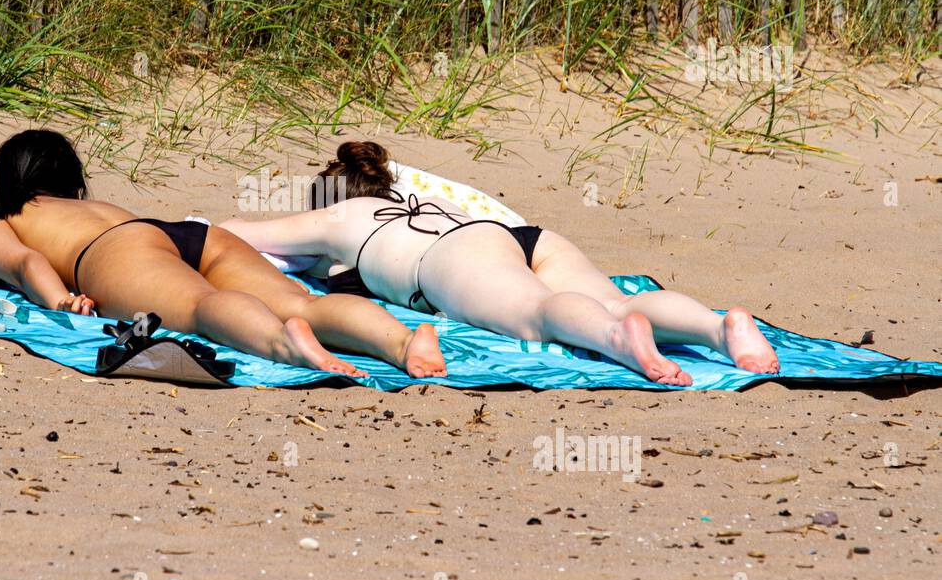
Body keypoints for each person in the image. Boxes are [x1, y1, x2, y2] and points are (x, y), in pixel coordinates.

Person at [220, 142, 780, 386]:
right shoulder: (430, 200)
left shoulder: (338, 217)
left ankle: (616, 337)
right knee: (617, 295)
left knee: (537, 313)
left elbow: (233, 234)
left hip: (447, 261)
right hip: (518, 236)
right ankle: (718, 326)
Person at [0, 131, 446, 379]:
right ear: (70, 178)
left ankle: (282, 344)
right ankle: (403, 343)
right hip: (180, 232)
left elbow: (27, 265)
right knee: (303, 302)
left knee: (198, 307)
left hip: (113, 254)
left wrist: (61, 302)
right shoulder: (90, 205)